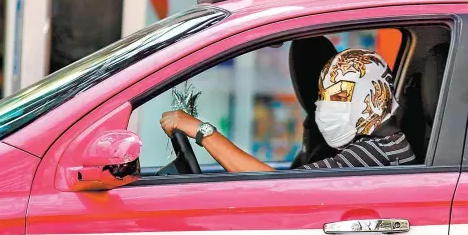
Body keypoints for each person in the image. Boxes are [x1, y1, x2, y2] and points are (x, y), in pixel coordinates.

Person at [159, 48, 416, 172]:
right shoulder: (383, 144)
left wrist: (202, 130)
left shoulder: (375, 154)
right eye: (323, 97)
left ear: (371, 94)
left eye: (338, 96)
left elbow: (271, 186)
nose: (325, 107)